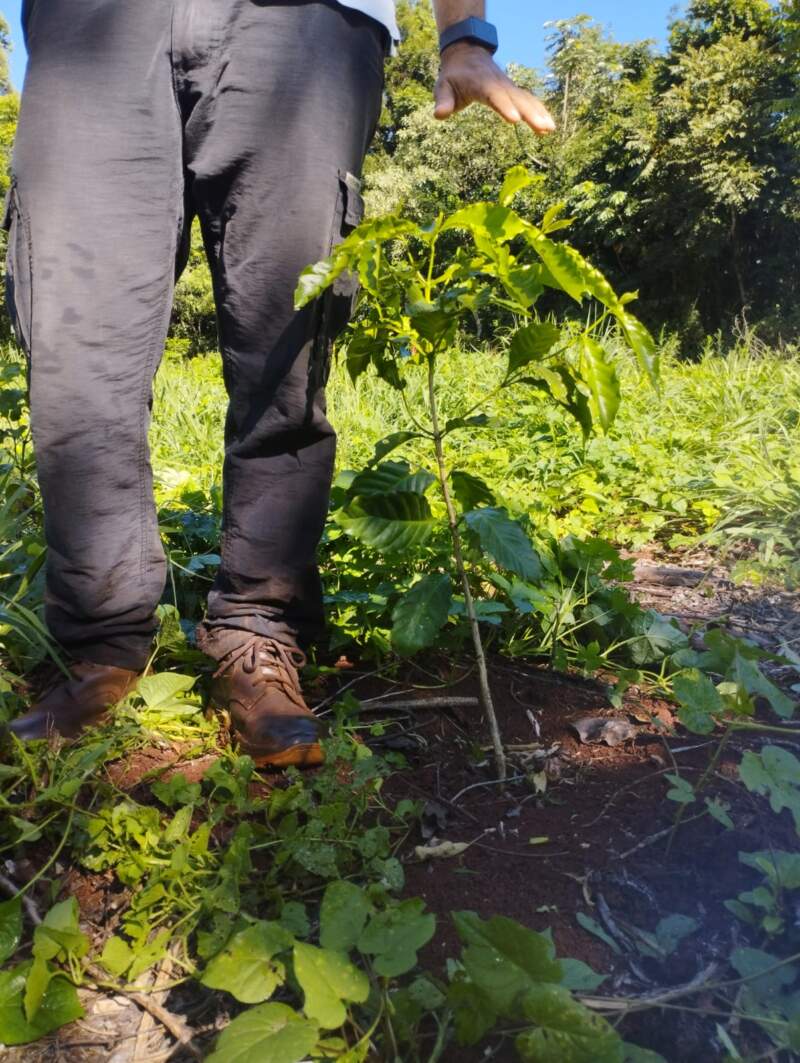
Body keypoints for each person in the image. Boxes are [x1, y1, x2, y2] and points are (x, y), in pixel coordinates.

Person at [4, 0, 554, 766]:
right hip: (93, 21)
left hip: (307, 21)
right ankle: (99, 643)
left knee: (286, 349)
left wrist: (465, 35)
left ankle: (259, 630)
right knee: (73, 337)